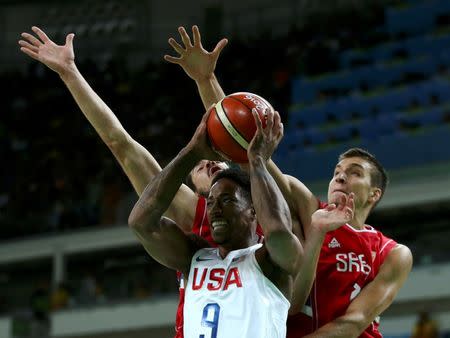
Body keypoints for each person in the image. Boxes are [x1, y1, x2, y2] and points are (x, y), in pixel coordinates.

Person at [128, 106, 355, 337]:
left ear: (253, 210)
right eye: (211, 202)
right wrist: (192, 152)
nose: (215, 209)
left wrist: (256, 161)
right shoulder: (194, 256)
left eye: (226, 200)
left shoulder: (270, 262)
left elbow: (277, 231)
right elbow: (141, 223)